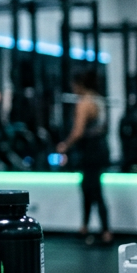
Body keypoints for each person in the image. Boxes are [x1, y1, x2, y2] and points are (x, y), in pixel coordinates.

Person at [57, 70, 111, 245]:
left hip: (90, 151)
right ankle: (86, 227)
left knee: (93, 190)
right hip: (100, 148)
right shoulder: (98, 100)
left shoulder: (84, 103)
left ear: (79, 85)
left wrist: (65, 145)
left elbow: (78, 131)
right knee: (89, 188)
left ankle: (105, 231)